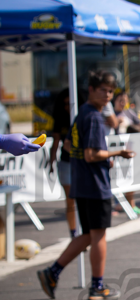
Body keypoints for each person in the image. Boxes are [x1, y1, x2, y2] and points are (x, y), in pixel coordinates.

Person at [37, 70, 135, 300]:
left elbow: (71, 146)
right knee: (98, 236)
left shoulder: (83, 112)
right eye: (103, 90)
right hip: (94, 183)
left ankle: (52, 272)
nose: (108, 95)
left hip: (82, 181)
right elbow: (91, 154)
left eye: (111, 91)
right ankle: (97, 286)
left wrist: (98, 157)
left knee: (89, 234)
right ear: (91, 90)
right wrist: (117, 153)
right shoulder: (93, 117)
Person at [48, 89, 77, 237]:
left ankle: (83, 233)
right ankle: (73, 232)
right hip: (66, 162)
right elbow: (56, 142)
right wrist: (51, 161)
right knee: (70, 200)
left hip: (81, 163)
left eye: (69, 103)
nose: (67, 106)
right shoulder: (59, 118)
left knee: (82, 200)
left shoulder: (80, 116)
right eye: (64, 103)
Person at [113, 90, 140, 216]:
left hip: (128, 150)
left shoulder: (129, 112)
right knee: (116, 178)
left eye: (125, 101)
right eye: (121, 100)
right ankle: (118, 204)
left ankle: (131, 204)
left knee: (131, 177)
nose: (123, 103)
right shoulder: (111, 113)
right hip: (115, 151)